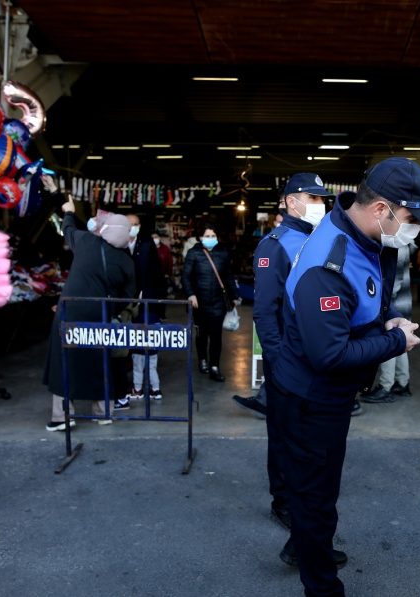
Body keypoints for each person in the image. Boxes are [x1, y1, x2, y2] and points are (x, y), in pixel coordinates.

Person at [270, 157, 420, 596]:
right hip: (312, 397)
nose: (416, 230)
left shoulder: (366, 238)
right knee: (316, 497)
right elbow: (329, 353)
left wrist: (385, 321)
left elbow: (365, 302)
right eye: (411, 218)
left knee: (319, 491)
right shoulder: (328, 266)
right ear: (382, 209)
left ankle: (306, 547)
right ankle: (322, 584)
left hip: (330, 393)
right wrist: (395, 342)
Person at [232, 172, 333, 530]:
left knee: (312, 438)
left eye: (323, 199)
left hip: (319, 359)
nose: (321, 205)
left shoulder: (324, 239)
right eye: (315, 199)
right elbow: (264, 310)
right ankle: (284, 500)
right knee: (286, 435)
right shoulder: (276, 244)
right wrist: (276, 360)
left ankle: (306, 496)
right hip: (289, 360)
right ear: (292, 202)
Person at [43, 201, 135, 431]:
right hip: (100, 315)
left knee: (64, 361)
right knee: (100, 361)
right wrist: (111, 310)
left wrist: (69, 212)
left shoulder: (86, 242)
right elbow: (129, 296)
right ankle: (103, 412)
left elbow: (68, 229)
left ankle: (63, 417)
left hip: (70, 311)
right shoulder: (126, 261)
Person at [115, 214, 167, 408]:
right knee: (127, 345)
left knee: (149, 342)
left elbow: (157, 275)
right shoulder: (116, 244)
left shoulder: (146, 246)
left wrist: (160, 307)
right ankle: (134, 386)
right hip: (123, 304)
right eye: (129, 225)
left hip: (146, 302)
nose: (132, 228)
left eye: (136, 225)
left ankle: (154, 387)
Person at [181, 225, 238, 382]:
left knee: (216, 336)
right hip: (199, 302)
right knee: (202, 334)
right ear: (200, 237)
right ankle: (202, 360)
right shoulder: (194, 253)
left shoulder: (223, 253)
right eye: (207, 235)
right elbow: (185, 276)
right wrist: (191, 295)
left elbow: (228, 276)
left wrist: (234, 296)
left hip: (218, 302)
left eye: (213, 235)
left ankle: (214, 366)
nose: (210, 238)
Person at [360, 241, 414, 403]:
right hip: (404, 302)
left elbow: (393, 283)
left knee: (390, 341)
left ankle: (385, 386)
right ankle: (402, 382)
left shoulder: (396, 247)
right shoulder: (405, 244)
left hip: (393, 305)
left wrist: (382, 303)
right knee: (402, 339)